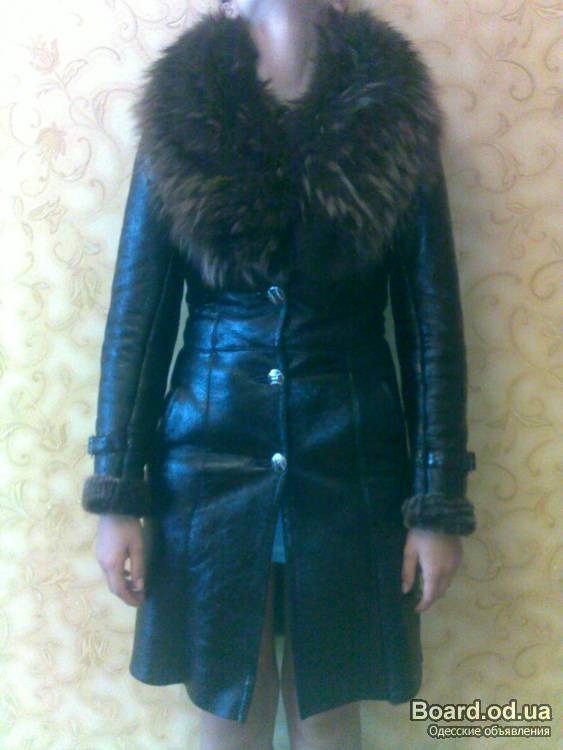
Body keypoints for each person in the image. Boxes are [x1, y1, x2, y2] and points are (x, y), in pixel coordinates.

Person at [81, 1, 478, 748]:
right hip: (205, 466)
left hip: (352, 463)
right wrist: (116, 493)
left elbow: (432, 327)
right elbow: (137, 321)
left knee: (329, 708)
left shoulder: (391, 106)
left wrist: (436, 503)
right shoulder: (183, 106)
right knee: (225, 702)